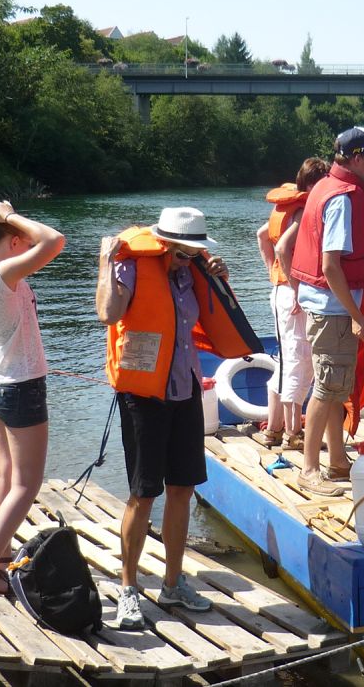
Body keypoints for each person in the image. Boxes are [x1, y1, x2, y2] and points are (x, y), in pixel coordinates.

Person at [96, 207, 258, 630]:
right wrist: (106, 262)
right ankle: (128, 589)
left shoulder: (194, 273)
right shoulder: (131, 267)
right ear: (164, 244)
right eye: (183, 253)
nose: (189, 260)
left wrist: (221, 282)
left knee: (183, 489)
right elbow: (108, 314)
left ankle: (172, 583)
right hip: (143, 396)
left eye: (195, 253)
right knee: (143, 493)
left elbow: (218, 323)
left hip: (185, 389)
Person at [0, 201, 65, 596]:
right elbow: (54, 241)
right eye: (22, 240)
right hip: (19, 386)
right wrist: (10, 216)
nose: (29, 246)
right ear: (14, 240)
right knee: (26, 484)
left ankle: (0, 553)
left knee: (7, 474)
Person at [288, 126, 364, 497]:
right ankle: (309, 469)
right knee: (327, 387)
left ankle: (337, 460)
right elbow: (331, 266)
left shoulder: (326, 186)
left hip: (326, 306)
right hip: (332, 309)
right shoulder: (342, 198)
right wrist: (357, 315)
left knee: (334, 386)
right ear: (358, 158)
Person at [254, 157, 329, 449]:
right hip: (293, 293)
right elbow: (283, 247)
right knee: (301, 362)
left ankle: (273, 429)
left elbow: (263, 236)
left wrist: (272, 272)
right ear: (314, 185)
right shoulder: (302, 209)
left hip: (281, 291)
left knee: (288, 361)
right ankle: (293, 433)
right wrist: (296, 289)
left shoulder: (285, 207)